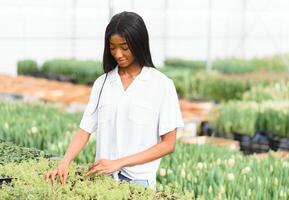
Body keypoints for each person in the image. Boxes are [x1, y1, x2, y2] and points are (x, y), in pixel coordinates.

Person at [44, 11, 184, 189]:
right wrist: (64, 162)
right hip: (103, 181)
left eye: (124, 47)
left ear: (139, 44)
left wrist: (119, 163)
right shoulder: (102, 83)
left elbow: (168, 144)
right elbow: (85, 130)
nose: (118, 54)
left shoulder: (162, 85)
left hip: (139, 184)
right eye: (112, 47)